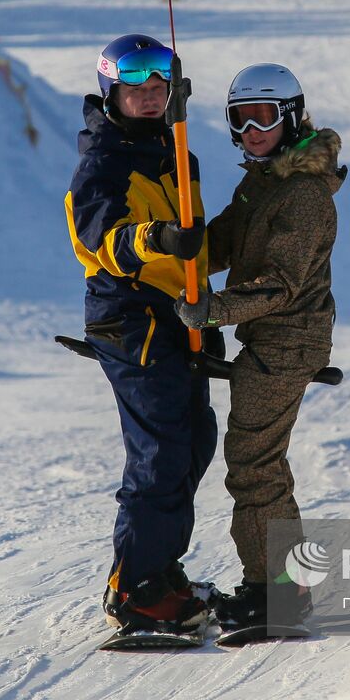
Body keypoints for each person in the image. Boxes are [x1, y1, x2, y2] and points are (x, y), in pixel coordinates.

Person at [174, 63, 345, 632]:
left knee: (255, 465)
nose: (251, 130)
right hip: (268, 337)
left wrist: (214, 309)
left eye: (264, 117)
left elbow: (279, 283)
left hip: (286, 340)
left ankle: (278, 593)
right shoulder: (263, 180)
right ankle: (277, 587)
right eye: (240, 119)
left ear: (291, 118)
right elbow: (221, 241)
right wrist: (172, 250)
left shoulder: (302, 195)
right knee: (256, 463)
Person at [65, 33, 220, 635]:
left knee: (194, 440)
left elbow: (197, 246)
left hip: (178, 317)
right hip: (131, 319)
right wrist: (155, 239)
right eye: (138, 91)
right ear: (112, 94)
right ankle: (133, 589)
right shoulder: (102, 162)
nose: (151, 99)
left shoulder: (175, 150)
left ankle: (162, 569)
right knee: (160, 453)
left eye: (160, 89)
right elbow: (98, 237)